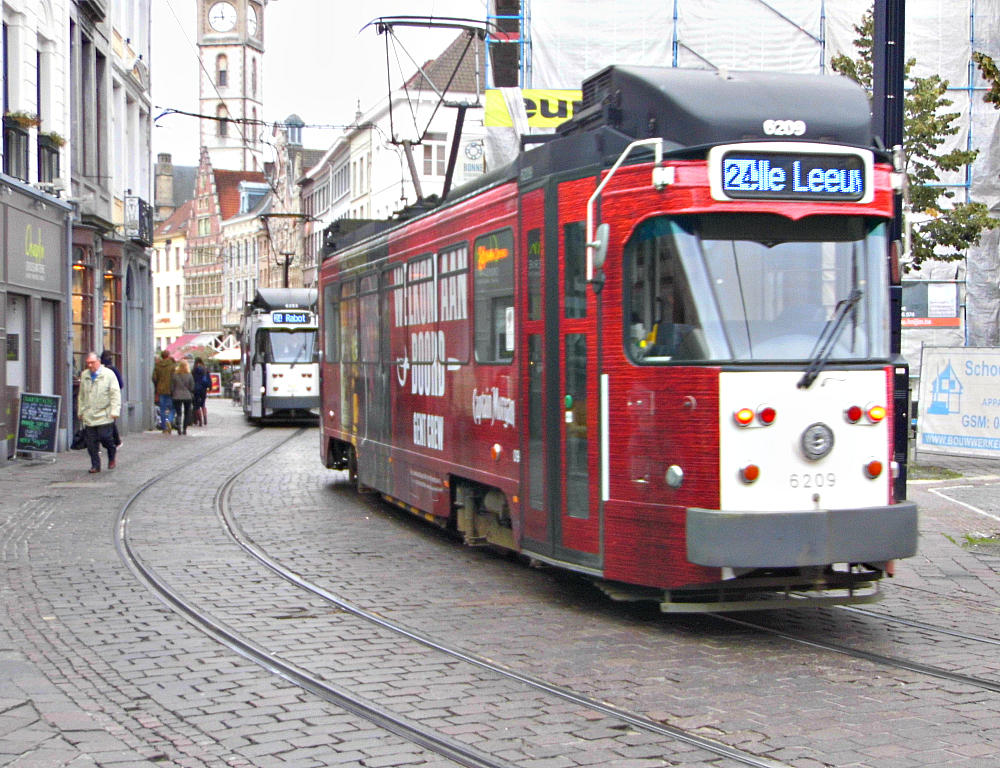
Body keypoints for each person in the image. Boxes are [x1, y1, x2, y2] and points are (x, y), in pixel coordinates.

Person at [77, 351, 121, 473]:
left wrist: (115, 410)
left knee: (105, 437)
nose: (90, 365)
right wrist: (80, 411)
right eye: (88, 363)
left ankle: (112, 452)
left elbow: (115, 394)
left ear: (99, 362)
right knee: (91, 443)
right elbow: (81, 395)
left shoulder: (108, 374)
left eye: (92, 363)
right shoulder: (85, 375)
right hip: (89, 414)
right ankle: (95, 465)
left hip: (104, 414)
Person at [100, 351, 124, 447]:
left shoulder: (98, 370)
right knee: (109, 422)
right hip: (110, 399)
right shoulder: (113, 369)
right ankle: (115, 441)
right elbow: (121, 384)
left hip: (100, 399)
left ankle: (113, 441)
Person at [152, 350, 176, 435]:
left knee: (162, 409)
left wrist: (157, 385)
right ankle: (169, 420)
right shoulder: (172, 365)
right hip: (171, 390)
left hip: (161, 389)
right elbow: (175, 377)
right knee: (173, 408)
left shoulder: (157, 365)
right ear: (168, 355)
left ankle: (164, 428)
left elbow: (154, 378)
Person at [171, 359, 195, 435]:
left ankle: (178, 425)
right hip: (187, 396)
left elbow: (172, 387)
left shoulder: (175, 375)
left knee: (178, 412)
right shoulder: (189, 375)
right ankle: (184, 428)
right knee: (187, 412)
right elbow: (192, 387)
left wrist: (173, 392)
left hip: (176, 396)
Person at [192, 357, 211, 426]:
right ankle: (205, 418)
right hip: (203, 389)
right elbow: (209, 380)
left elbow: (192, 380)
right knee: (203, 404)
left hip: (196, 389)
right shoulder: (205, 369)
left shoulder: (194, 370)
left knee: (196, 405)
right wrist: (209, 387)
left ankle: (200, 421)